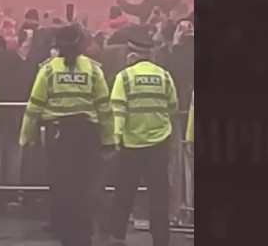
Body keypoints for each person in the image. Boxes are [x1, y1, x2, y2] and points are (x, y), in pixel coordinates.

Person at [19, 24, 115, 246]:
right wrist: (109, 140)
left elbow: (34, 107)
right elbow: (104, 108)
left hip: (58, 135)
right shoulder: (93, 70)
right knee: (85, 184)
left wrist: (26, 137)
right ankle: (84, 232)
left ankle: (66, 232)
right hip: (87, 134)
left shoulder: (48, 70)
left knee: (61, 185)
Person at [107, 35, 180, 246]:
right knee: (159, 194)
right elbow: (173, 106)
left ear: (131, 55)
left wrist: (116, 138)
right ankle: (160, 238)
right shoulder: (164, 76)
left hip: (131, 144)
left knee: (124, 192)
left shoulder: (124, 77)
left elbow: (118, 109)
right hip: (158, 143)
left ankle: (117, 234)